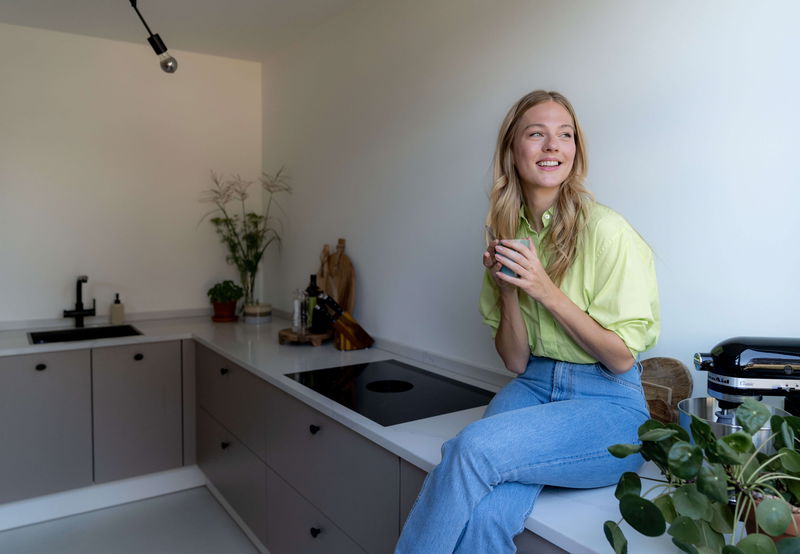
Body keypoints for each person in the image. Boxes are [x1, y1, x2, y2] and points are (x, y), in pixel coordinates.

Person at [395, 90, 660, 553]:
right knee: (486, 512)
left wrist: (543, 289)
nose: (552, 145)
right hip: (533, 386)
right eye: (536, 134)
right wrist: (508, 293)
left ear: (576, 152)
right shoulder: (509, 234)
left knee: (471, 449)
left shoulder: (608, 231)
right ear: (512, 150)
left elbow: (621, 359)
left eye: (565, 135)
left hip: (608, 405)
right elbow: (516, 362)